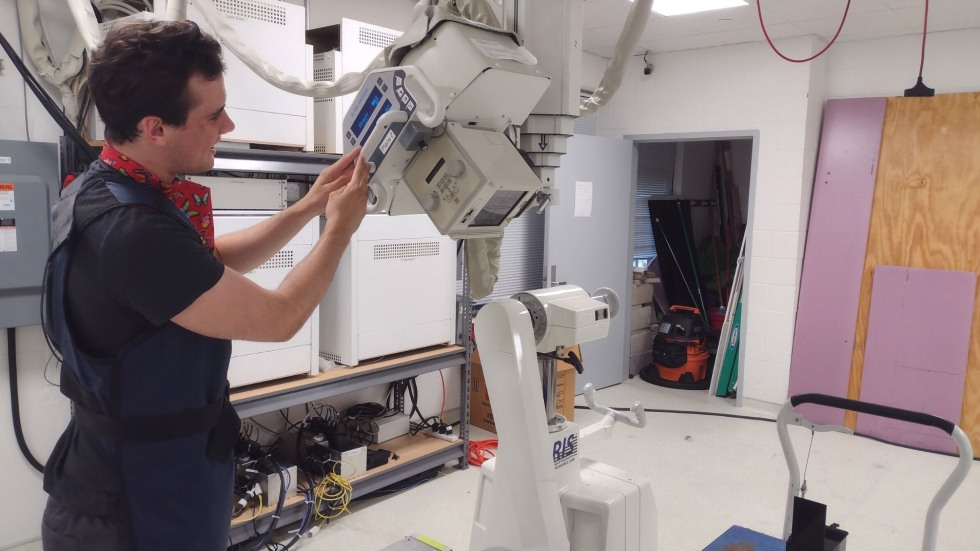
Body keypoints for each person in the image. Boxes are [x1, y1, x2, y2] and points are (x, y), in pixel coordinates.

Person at [40, 20, 368, 551]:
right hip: (136, 510)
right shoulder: (133, 233)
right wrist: (340, 230)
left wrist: (310, 207)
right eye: (213, 115)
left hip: (145, 480)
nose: (229, 124)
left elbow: (205, 264)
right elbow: (282, 317)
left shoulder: (106, 189)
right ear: (155, 127)